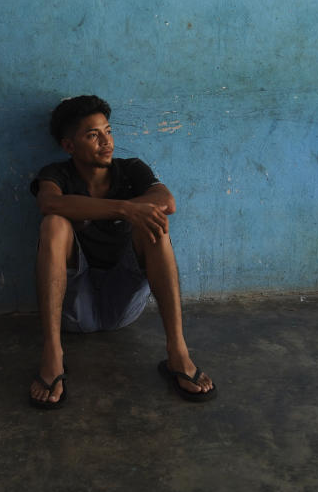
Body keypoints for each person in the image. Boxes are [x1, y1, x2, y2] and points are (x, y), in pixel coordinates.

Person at [28, 95, 216, 408]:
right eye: (93, 135)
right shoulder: (56, 174)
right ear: (69, 146)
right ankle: (53, 355)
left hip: (122, 302)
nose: (106, 142)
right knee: (54, 224)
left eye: (108, 131)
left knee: (154, 226)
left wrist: (127, 211)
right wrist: (125, 209)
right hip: (75, 305)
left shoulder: (130, 170)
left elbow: (167, 202)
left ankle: (178, 353)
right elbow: (49, 203)